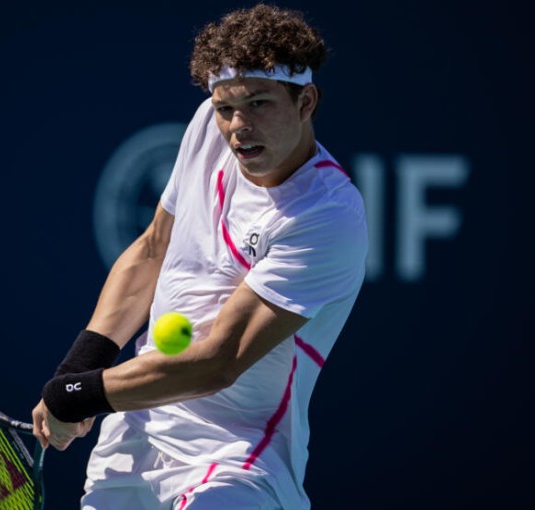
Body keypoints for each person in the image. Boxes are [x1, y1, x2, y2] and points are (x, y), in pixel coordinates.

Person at [32, 4, 368, 509]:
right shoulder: (208, 129)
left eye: (259, 103)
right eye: (225, 107)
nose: (237, 126)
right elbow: (151, 250)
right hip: (135, 435)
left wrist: (77, 396)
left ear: (306, 103)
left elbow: (219, 362)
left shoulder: (328, 214)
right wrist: (78, 368)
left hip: (237, 460)